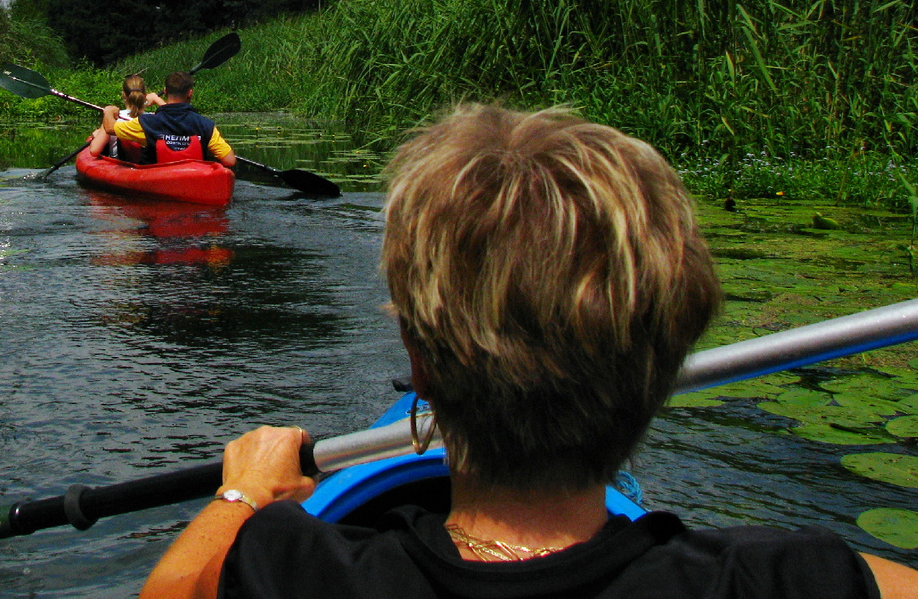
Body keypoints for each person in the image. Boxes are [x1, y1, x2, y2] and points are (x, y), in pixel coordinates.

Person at [139, 104, 918, 599]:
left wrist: (238, 496)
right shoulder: (786, 580)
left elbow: (171, 589)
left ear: (417, 355)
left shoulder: (294, 568)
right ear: (667, 354)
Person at [97, 71, 237, 168]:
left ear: (165, 91)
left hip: (157, 180)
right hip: (193, 180)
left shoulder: (146, 123)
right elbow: (230, 161)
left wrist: (108, 111)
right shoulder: (206, 125)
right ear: (190, 93)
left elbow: (110, 128)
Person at [89, 74, 165, 162]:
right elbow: (175, 116)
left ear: (123, 95)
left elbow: (94, 150)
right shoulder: (154, 118)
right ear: (144, 95)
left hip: (120, 169)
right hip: (147, 168)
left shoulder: (112, 118)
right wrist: (157, 99)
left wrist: (97, 136)